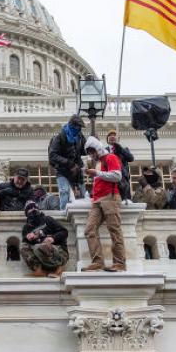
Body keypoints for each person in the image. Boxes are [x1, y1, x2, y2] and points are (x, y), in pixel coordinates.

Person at [82, 138, 125, 272]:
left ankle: (119, 264)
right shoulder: (99, 162)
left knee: (114, 230)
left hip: (110, 197)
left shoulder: (110, 157)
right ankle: (97, 262)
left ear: (97, 148)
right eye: (89, 152)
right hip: (97, 200)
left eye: (92, 151)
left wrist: (97, 173)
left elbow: (117, 176)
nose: (91, 154)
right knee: (89, 229)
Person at [48, 116, 86, 210]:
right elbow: (52, 155)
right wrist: (70, 163)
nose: (79, 130)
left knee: (82, 192)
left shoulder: (80, 137)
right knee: (64, 191)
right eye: (77, 127)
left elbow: (83, 151)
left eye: (80, 128)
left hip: (76, 171)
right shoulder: (59, 137)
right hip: (62, 170)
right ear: (72, 126)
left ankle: (82, 211)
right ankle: (63, 212)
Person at [21, 202, 68, 277]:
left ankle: (58, 269)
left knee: (41, 246)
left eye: (35, 207)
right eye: (30, 208)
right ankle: (39, 270)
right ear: (26, 213)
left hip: (60, 253)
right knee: (24, 246)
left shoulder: (48, 219)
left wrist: (53, 238)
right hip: (41, 254)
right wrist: (29, 239)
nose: (33, 209)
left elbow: (64, 232)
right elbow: (26, 243)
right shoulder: (26, 228)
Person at [105, 131, 135, 202]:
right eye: (110, 136)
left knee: (124, 200)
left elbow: (131, 158)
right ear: (107, 140)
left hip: (122, 179)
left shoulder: (124, 149)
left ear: (118, 139)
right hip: (109, 178)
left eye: (114, 135)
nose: (112, 137)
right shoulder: (104, 151)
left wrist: (120, 149)